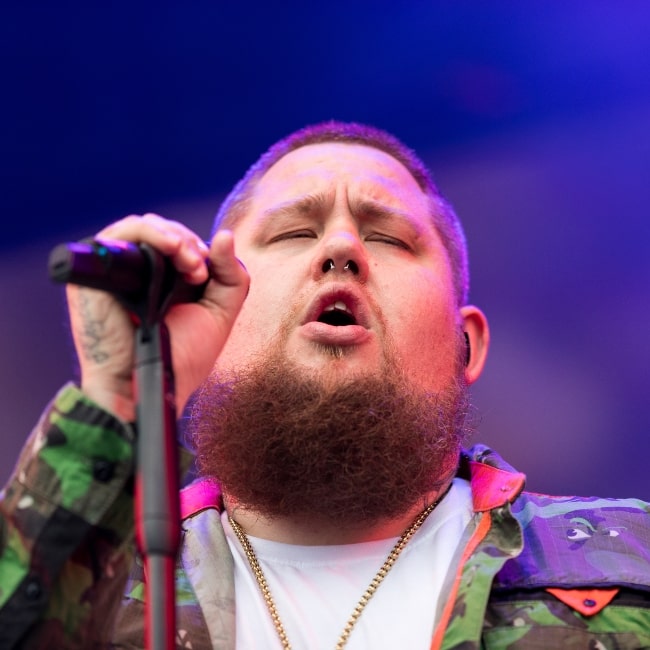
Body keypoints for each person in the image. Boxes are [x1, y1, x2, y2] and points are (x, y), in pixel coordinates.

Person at [0, 121, 649, 649]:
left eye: (390, 237)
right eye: (292, 231)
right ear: (214, 318)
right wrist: (116, 394)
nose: (340, 248)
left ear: (465, 343)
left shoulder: (633, 559)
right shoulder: (106, 580)